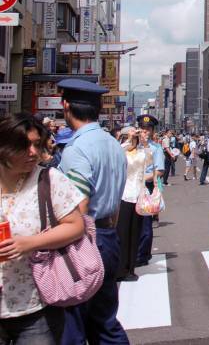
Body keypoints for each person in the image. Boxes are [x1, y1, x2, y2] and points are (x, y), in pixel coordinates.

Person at [0, 114, 88, 344]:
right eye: (23, 145)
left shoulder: (48, 179)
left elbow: (76, 225)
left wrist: (30, 243)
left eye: (37, 144)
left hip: (35, 303)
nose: (32, 152)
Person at [55, 79, 129, 345]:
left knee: (72, 324)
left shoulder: (76, 149)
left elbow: (79, 205)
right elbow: (117, 200)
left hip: (83, 240)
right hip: (108, 234)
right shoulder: (113, 144)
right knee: (104, 322)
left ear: (66, 106)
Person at [115, 127, 146, 282]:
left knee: (135, 233)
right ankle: (120, 268)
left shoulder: (142, 152)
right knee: (122, 233)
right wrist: (127, 139)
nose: (134, 139)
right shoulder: (121, 151)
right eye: (131, 137)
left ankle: (131, 268)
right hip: (124, 195)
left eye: (135, 137)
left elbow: (151, 161)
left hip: (139, 195)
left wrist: (144, 141)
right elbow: (116, 154)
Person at [134, 115, 164, 269]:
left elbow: (158, 171)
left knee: (145, 223)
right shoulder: (132, 145)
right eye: (142, 128)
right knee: (132, 222)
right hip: (131, 188)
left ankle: (143, 254)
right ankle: (133, 252)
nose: (145, 131)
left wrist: (141, 178)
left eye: (148, 129)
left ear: (152, 131)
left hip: (146, 187)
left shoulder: (156, 148)